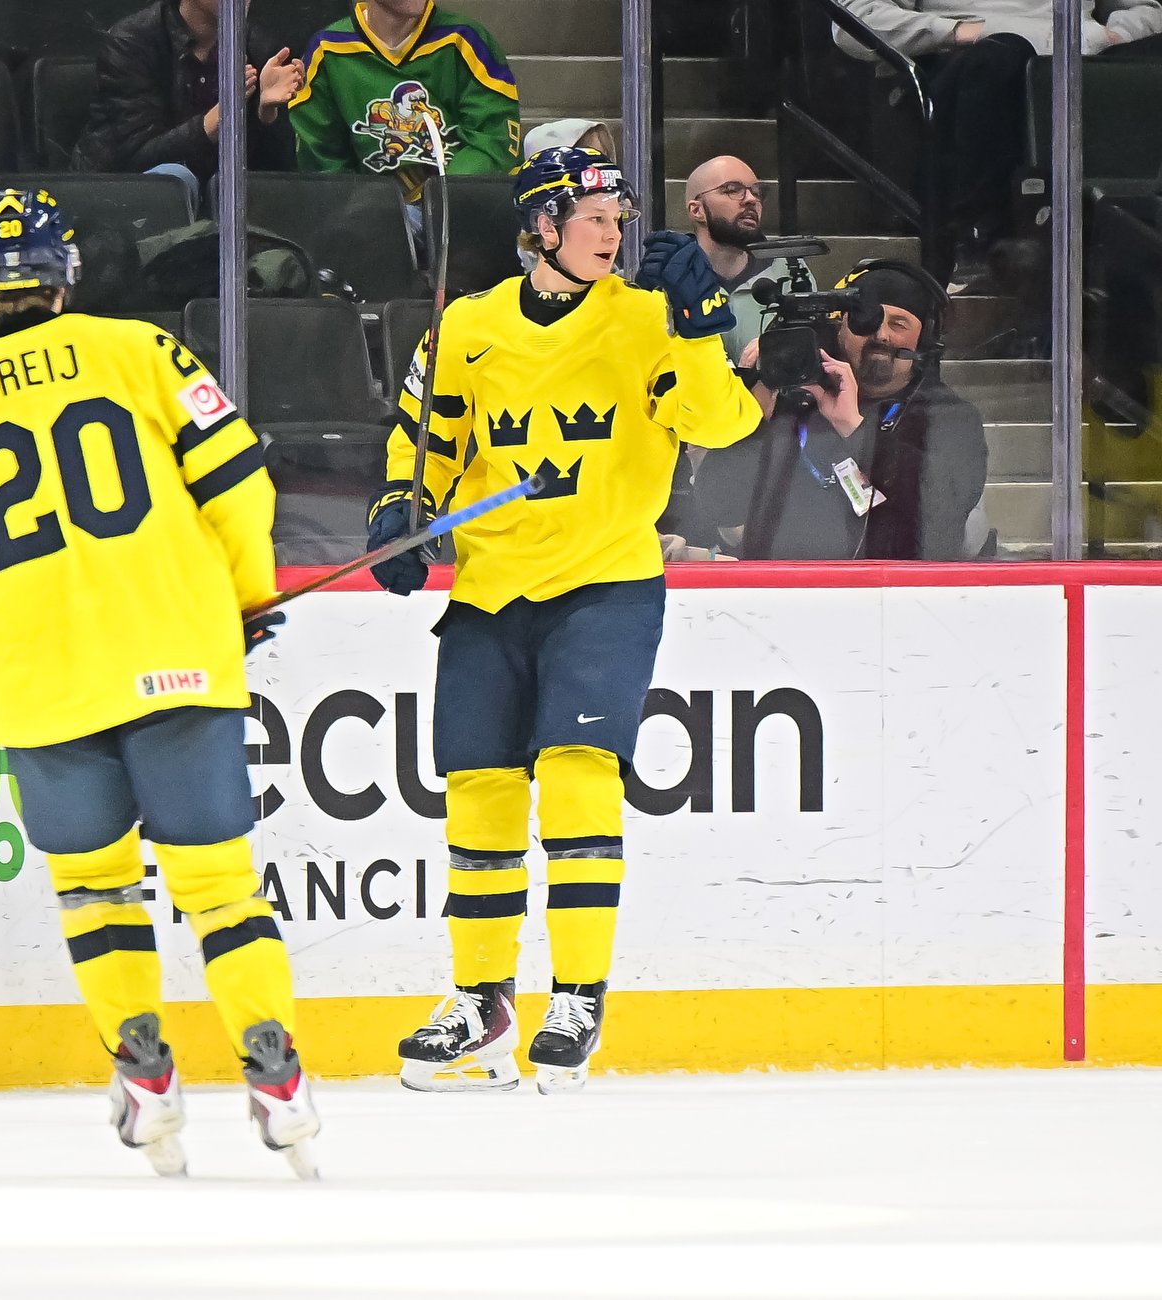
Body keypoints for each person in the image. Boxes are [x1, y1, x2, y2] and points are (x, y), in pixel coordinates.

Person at [0, 188, 320, 1178]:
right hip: (178, 658)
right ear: (66, 270)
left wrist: (12, 640)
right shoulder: (141, 349)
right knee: (217, 886)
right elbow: (239, 484)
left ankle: (146, 1076)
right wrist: (242, 598)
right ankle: (276, 1074)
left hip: (43, 685)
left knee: (94, 891)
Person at [367, 148, 758, 1093]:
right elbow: (427, 440)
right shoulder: (469, 327)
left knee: (580, 777)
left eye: (619, 220)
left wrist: (700, 326)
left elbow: (722, 424)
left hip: (604, 585)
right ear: (542, 226)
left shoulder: (648, 319)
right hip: (491, 590)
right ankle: (482, 1001)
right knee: (479, 789)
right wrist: (397, 512)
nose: (614, 234)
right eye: (594, 219)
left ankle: (578, 996)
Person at [835, 0, 1162, 287]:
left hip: (1083, 50)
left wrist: (1118, 34)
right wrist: (957, 30)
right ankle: (976, 245)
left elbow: (1146, 10)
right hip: (965, 55)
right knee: (1000, 57)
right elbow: (854, 19)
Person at [696, 260, 989, 560]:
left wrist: (856, 430)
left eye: (898, 324)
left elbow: (939, 524)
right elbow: (718, 508)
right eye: (866, 322)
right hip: (783, 583)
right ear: (841, 330)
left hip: (888, 586)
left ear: (924, 340)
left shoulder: (949, 418)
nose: (881, 335)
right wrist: (754, 417)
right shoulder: (794, 401)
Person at [288, 0, 521, 209]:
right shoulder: (328, 49)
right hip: (373, 219)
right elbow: (324, 164)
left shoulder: (465, 40)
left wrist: (439, 200)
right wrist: (367, 212)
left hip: (465, 210)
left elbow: (493, 142)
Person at [73, 0, 302, 204]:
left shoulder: (262, 47)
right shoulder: (131, 43)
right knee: (176, 177)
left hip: (218, 212)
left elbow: (278, 177)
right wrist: (223, 115)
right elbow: (138, 159)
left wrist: (266, 113)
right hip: (124, 203)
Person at [683, 154, 790, 363]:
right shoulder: (667, 279)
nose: (751, 200)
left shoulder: (788, 270)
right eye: (732, 190)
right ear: (697, 210)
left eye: (756, 192)